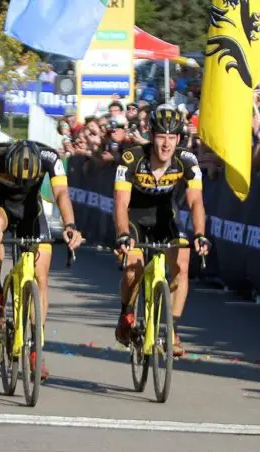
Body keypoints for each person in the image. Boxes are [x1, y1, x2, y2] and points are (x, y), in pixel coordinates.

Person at [112, 105, 211, 356]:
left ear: (179, 139)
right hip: (135, 217)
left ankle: (172, 330)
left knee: (183, 265)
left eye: (172, 138)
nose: (166, 144)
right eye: (161, 137)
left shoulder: (187, 160)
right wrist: (123, 233)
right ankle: (127, 312)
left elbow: (196, 201)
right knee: (132, 270)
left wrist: (200, 233)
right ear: (152, 136)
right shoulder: (132, 158)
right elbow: (121, 202)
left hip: (166, 218)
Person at [0, 140, 83, 380]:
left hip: (31, 211)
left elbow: (61, 193)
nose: (21, 184)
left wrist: (70, 225)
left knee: (41, 276)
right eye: (16, 179)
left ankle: (36, 349)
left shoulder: (50, 157)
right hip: (1, 207)